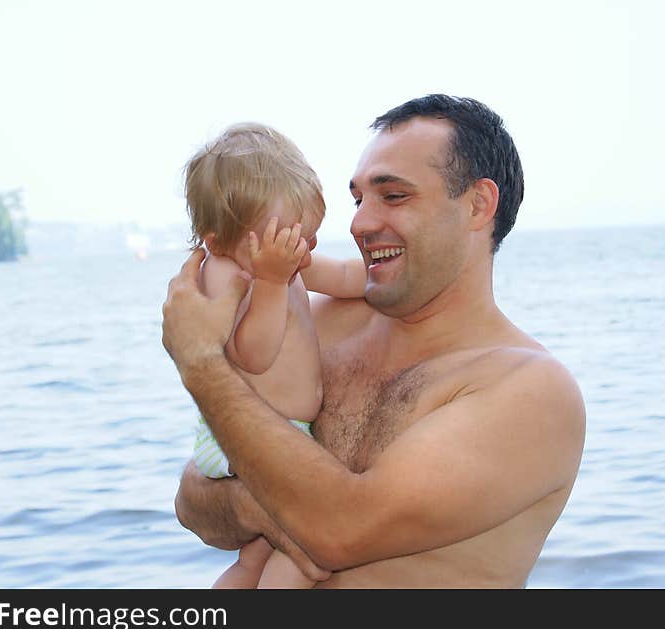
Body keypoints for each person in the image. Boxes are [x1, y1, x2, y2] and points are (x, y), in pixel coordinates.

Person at [163, 95, 586, 588]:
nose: (360, 222)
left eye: (394, 196)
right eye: (359, 198)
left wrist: (201, 364)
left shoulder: (529, 391)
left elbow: (340, 532)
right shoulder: (312, 326)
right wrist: (252, 505)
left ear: (478, 204)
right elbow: (193, 503)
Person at [182, 122, 366, 588]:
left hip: (282, 433)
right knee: (304, 550)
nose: (302, 250)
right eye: (287, 238)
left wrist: (385, 267)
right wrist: (270, 284)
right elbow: (252, 354)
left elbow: (346, 276)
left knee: (254, 560)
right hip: (249, 437)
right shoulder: (228, 274)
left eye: (306, 235)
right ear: (218, 240)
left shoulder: (277, 261)